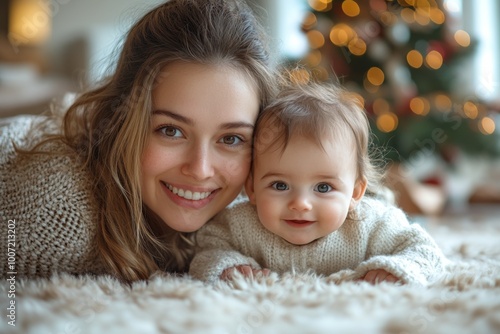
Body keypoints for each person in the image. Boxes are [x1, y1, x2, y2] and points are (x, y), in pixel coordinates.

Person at [0, 0, 278, 283]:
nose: (200, 169)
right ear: (121, 121)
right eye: (171, 130)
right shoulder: (53, 213)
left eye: (231, 138)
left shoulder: (263, 197)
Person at [189, 80, 448, 285]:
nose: (300, 204)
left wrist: (395, 269)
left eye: (323, 188)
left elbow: (425, 252)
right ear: (252, 188)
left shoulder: (372, 224)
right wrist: (229, 265)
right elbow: (207, 249)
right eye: (280, 185)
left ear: (356, 193)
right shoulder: (240, 224)